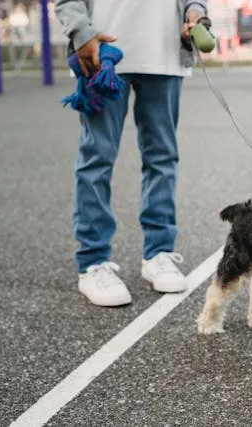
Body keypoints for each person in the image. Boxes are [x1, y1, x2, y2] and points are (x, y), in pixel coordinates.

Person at [54, 0, 209, 307]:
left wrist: (195, 11)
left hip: (163, 53)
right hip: (100, 52)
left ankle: (158, 252)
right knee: (96, 159)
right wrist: (80, 32)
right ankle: (92, 262)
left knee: (162, 158)